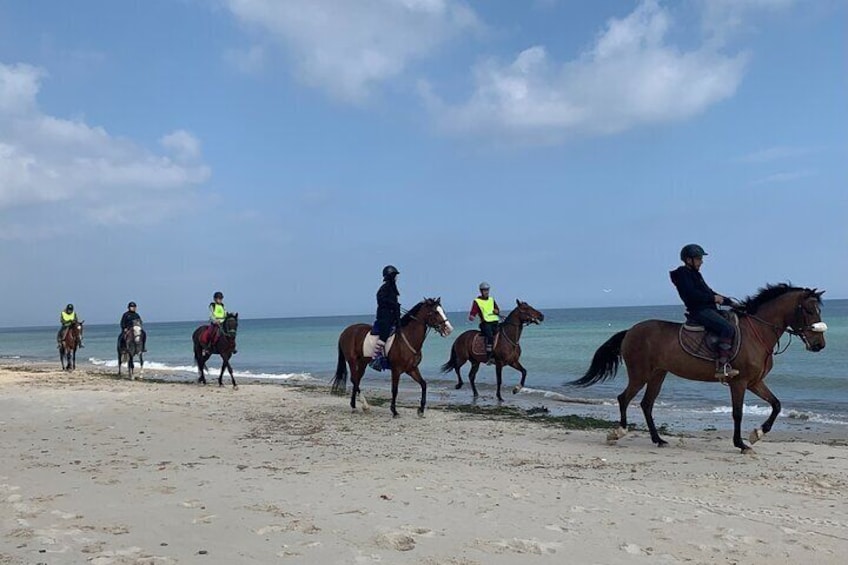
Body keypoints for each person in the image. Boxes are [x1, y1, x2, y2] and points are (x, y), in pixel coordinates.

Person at [670, 244, 739, 379]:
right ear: (689, 260)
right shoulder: (683, 274)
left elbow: (709, 292)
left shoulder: (695, 274)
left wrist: (729, 302)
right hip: (699, 310)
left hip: (707, 308)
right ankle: (722, 366)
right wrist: (713, 298)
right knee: (728, 328)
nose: (702, 261)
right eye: (699, 258)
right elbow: (692, 295)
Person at [370, 265, 401, 371]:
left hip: (392, 317)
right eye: (395, 275)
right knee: (384, 333)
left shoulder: (393, 288)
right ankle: (376, 358)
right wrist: (393, 304)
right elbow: (381, 300)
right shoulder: (384, 288)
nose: (396, 277)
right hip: (384, 317)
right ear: (390, 276)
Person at [468, 282, 500, 364]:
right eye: (484, 290)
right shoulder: (477, 301)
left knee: (501, 334)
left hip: (494, 321)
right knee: (489, 336)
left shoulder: (491, 300)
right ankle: (489, 357)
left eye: (487, 290)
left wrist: (496, 311)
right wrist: (472, 315)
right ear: (481, 291)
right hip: (485, 323)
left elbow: (497, 309)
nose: (486, 292)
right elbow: (474, 310)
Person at [203, 291, 231, 355]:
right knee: (211, 332)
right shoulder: (212, 305)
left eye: (221, 298)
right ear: (215, 299)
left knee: (230, 332)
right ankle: (208, 347)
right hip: (215, 322)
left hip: (223, 322)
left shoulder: (222, 305)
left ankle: (231, 346)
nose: (220, 300)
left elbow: (225, 313)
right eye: (219, 298)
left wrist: (229, 316)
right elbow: (211, 315)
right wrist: (215, 320)